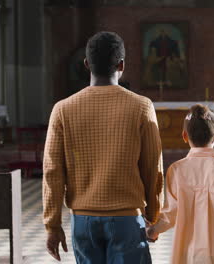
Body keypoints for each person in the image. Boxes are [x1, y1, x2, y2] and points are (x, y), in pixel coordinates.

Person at [43, 31, 164, 263]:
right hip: (127, 218)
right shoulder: (141, 107)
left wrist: (52, 225)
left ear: (87, 64)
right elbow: (152, 167)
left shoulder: (63, 109)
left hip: (83, 220)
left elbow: (52, 172)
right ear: (122, 64)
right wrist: (152, 214)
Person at [146, 104, 214, 264]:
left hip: (187, 252)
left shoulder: (176, 170)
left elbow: (170, 215)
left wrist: (153, 231)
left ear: (184, 136)